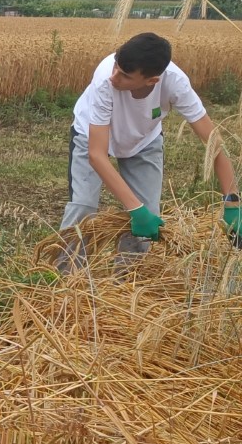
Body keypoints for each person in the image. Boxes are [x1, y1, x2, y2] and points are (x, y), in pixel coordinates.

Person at [59, 32, 240, 269]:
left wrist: (233, 203)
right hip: (90, 133)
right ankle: (63, 278)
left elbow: (214, 144)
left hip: (144, 141)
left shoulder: (176, 83)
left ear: (151, 81)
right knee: (83, 206)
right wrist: (135, 209)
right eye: (116, 65)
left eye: (125, 75)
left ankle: (126, 281)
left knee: (149, 215)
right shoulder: (105, 79)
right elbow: (97, 155)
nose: (115, 76)